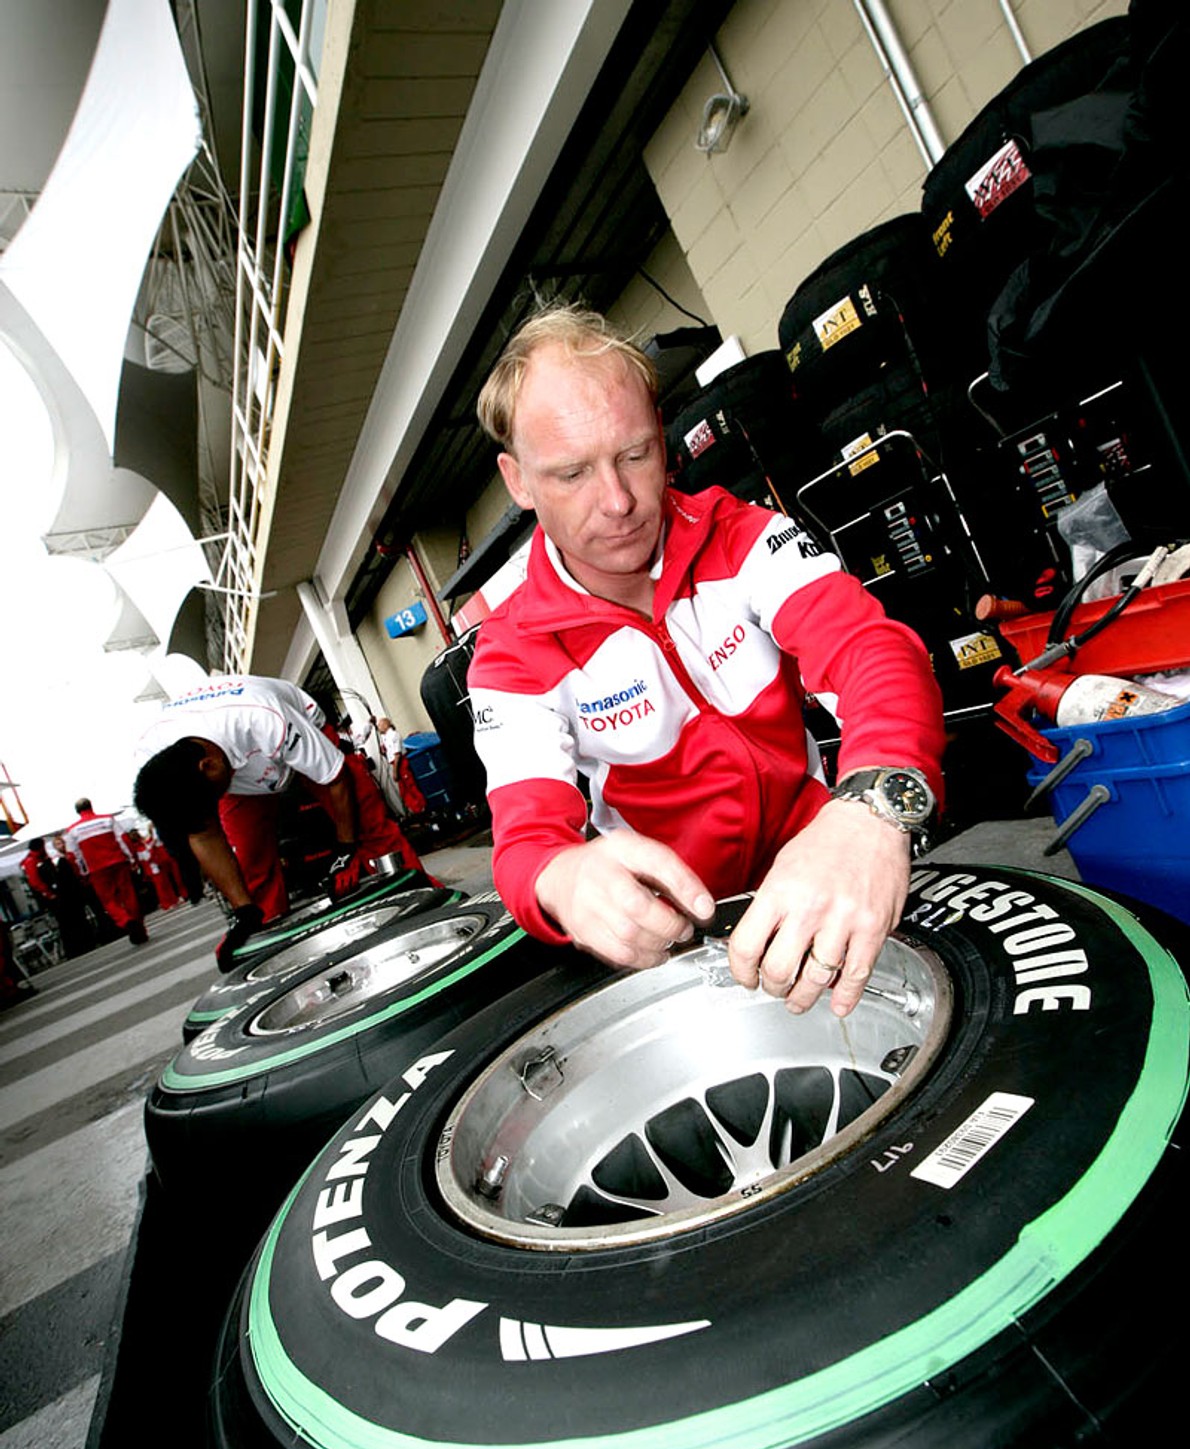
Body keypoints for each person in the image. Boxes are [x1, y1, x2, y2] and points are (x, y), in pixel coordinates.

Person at [467, 306, 946, 1018]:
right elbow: (527, 836)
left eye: (634, 454)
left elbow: (871, 650)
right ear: (519, 483)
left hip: (828, 861)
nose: (620, 501)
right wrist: (561, 878)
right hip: (676, 932)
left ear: (661, 438)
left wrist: (872, 814)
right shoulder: (509, 653)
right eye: (571, 474)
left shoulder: (744, 534)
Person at [132, 675, 428, 970]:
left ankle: (427, 904)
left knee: (372, 832)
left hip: (301, 731)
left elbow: (336, 779)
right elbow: (202, 834)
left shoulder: (261, 718)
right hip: (235, 774)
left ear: (207, 767)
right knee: (252, 866)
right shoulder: (156, 758)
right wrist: (244, 911)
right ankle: (273, 955)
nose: (210, 816)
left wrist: (345, 849)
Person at [63, 800, 148, 946]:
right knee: (128, 894)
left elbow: (73, 855)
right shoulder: (107, 819)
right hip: (118, 861)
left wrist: (82, 873)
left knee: (108, 900)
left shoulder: (72, 830)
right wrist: (132, 858)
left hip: (96, 868)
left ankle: (125, 920)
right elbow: (123, 839)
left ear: (77, 811)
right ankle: (138, 928)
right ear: (91, 806)